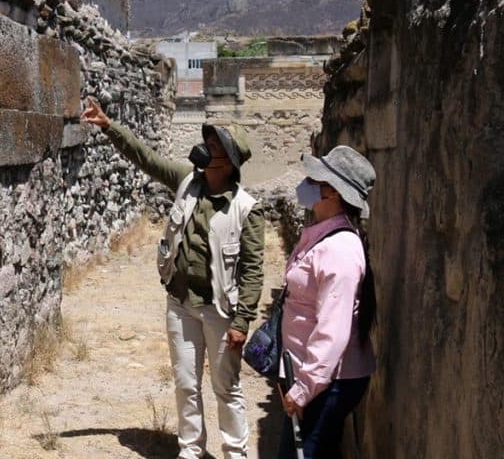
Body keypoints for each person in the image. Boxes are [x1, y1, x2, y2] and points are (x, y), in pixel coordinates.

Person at [82, 96, 264, 459]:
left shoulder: (246, 209)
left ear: (227, 161)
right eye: (207, 142)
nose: (204, 148)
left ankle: (235, 454)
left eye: (213, 146)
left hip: (219, 310)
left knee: (225, 387)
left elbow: (253, 270)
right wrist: (108, 126)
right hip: (180, 304)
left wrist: (242, 321)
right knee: (185, 383)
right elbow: (146, 158)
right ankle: (191, 450)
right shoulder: (186, 181)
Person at [279, 146, 377, 459]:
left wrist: (303, 390)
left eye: (313, 180)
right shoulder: (328, 238)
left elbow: (332, 332)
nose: (305, 185)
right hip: (318, 378)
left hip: (324, 383)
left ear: (332, 192)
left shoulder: (339, 250)